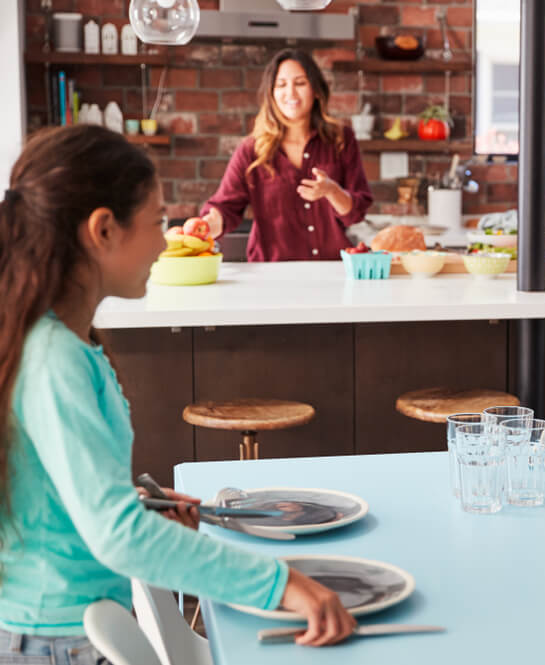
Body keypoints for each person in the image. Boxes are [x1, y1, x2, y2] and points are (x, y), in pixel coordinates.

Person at [0, 125, 355, 662]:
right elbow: (115, 536)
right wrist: (279, 584)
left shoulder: (66, 341)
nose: (166, 241)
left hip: (69, 629)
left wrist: (142, 505)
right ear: (103, 230)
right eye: (156, 221)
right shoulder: (54, 356)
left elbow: (60, 490)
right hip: (54, 641)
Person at [198, 48, 373, 261]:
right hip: (272, 276)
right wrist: (207, 224)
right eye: (281, 85)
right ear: (271, 94)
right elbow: (225, 208)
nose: (290, 93)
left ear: (316, 90)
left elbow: (355, 214)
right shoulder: (251, 150)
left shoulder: (341, 139)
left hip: (331, 270)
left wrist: (332, 191)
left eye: (300, 83)